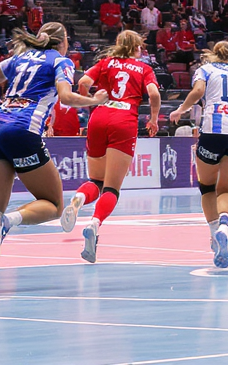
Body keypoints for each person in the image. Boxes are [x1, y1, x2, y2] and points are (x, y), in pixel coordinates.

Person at [0, 23, 106, 295]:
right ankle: (8, 222)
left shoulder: (19, 57)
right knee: (55, 205)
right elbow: (66, 97)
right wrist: (95, 101)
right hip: (22, 130)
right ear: (62, 41)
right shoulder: (61, 61)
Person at [61, 30, 161, 264]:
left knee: (95, 180)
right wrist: (154, 118)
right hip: (123, 120)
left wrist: (91, 103)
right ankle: (94, 224)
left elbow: (83, 82)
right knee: (112, 187)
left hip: (99, 116)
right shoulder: (144, 68)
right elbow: (154, 93)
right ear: (137, 48)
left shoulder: (105, 63)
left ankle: (78, 199)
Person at [169, 40, 228, 268]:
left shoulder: (206, 69)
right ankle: (224, 225)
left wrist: (181, 109)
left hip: (213, 130)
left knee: (207, 187)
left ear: (213, 54)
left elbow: (199, 91)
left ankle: (214, 234)